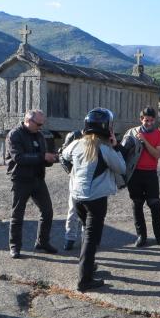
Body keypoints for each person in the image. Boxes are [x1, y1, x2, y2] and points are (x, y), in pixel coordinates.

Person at [60, 108, 126, 291]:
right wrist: (116, 145)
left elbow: (63, 156)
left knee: (87, 234)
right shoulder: (104, 148)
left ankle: (88, 266)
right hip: (96, 199)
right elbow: (121, 167)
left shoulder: (76, 144)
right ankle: (84, 280)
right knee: (91, 237)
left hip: (77, 197)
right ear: (107, 127)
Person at [5, 109, 59, 259]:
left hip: (37, 179)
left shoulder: (39, 135)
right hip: (21, 179)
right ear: (28, 120)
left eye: (42, 124)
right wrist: (43, 156)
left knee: (47, 211)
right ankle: (14, 246)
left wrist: (51, 159)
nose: (40, 127)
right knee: (17, 214)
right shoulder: (15, 134)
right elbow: (19, 158)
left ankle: (42, 242)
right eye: (38, 124)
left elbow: (42, 157)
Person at [122, 107, 160, 246]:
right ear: (141, 119)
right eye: (146, 120)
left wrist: (144, 140)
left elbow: (157, 154)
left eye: (151, 120)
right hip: (135, 174)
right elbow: (123, 152)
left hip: (150, 174)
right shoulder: (131, 132)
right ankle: (141, 236)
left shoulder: (159, 135)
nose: (149, 123)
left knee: (155, 205)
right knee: (137, 205)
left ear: (155, 120)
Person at [58, 128, 83, 250]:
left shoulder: (97, 138)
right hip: (76, 179)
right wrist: (70, 171)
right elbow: (62, 154)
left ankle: (86, 239)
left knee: (89, 212)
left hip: (91, 180)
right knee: (73, 210)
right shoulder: (74, 135)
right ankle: (70, 238)